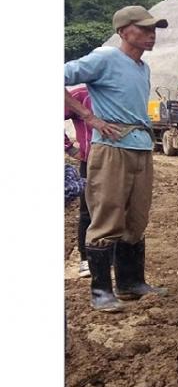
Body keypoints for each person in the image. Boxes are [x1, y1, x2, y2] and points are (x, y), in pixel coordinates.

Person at [64, 5, 169, 312]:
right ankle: (100, 292)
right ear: (123, 31)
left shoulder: (143, 68)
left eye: (153, 29)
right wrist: (89, 117)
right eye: (144, 28)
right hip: (111, 150)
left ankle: (130, 283)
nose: (151, 34)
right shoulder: (105, 58)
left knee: (136, 217)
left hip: (140, 149)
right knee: (107, 216)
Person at [65, 86, 93, 278]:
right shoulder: (79, 95)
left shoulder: (117, 92)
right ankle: (86, 260)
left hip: (117, 161)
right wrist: (69, 148)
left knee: (116, 208)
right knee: (87, 211)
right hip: (89, 161)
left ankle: (110, 257)